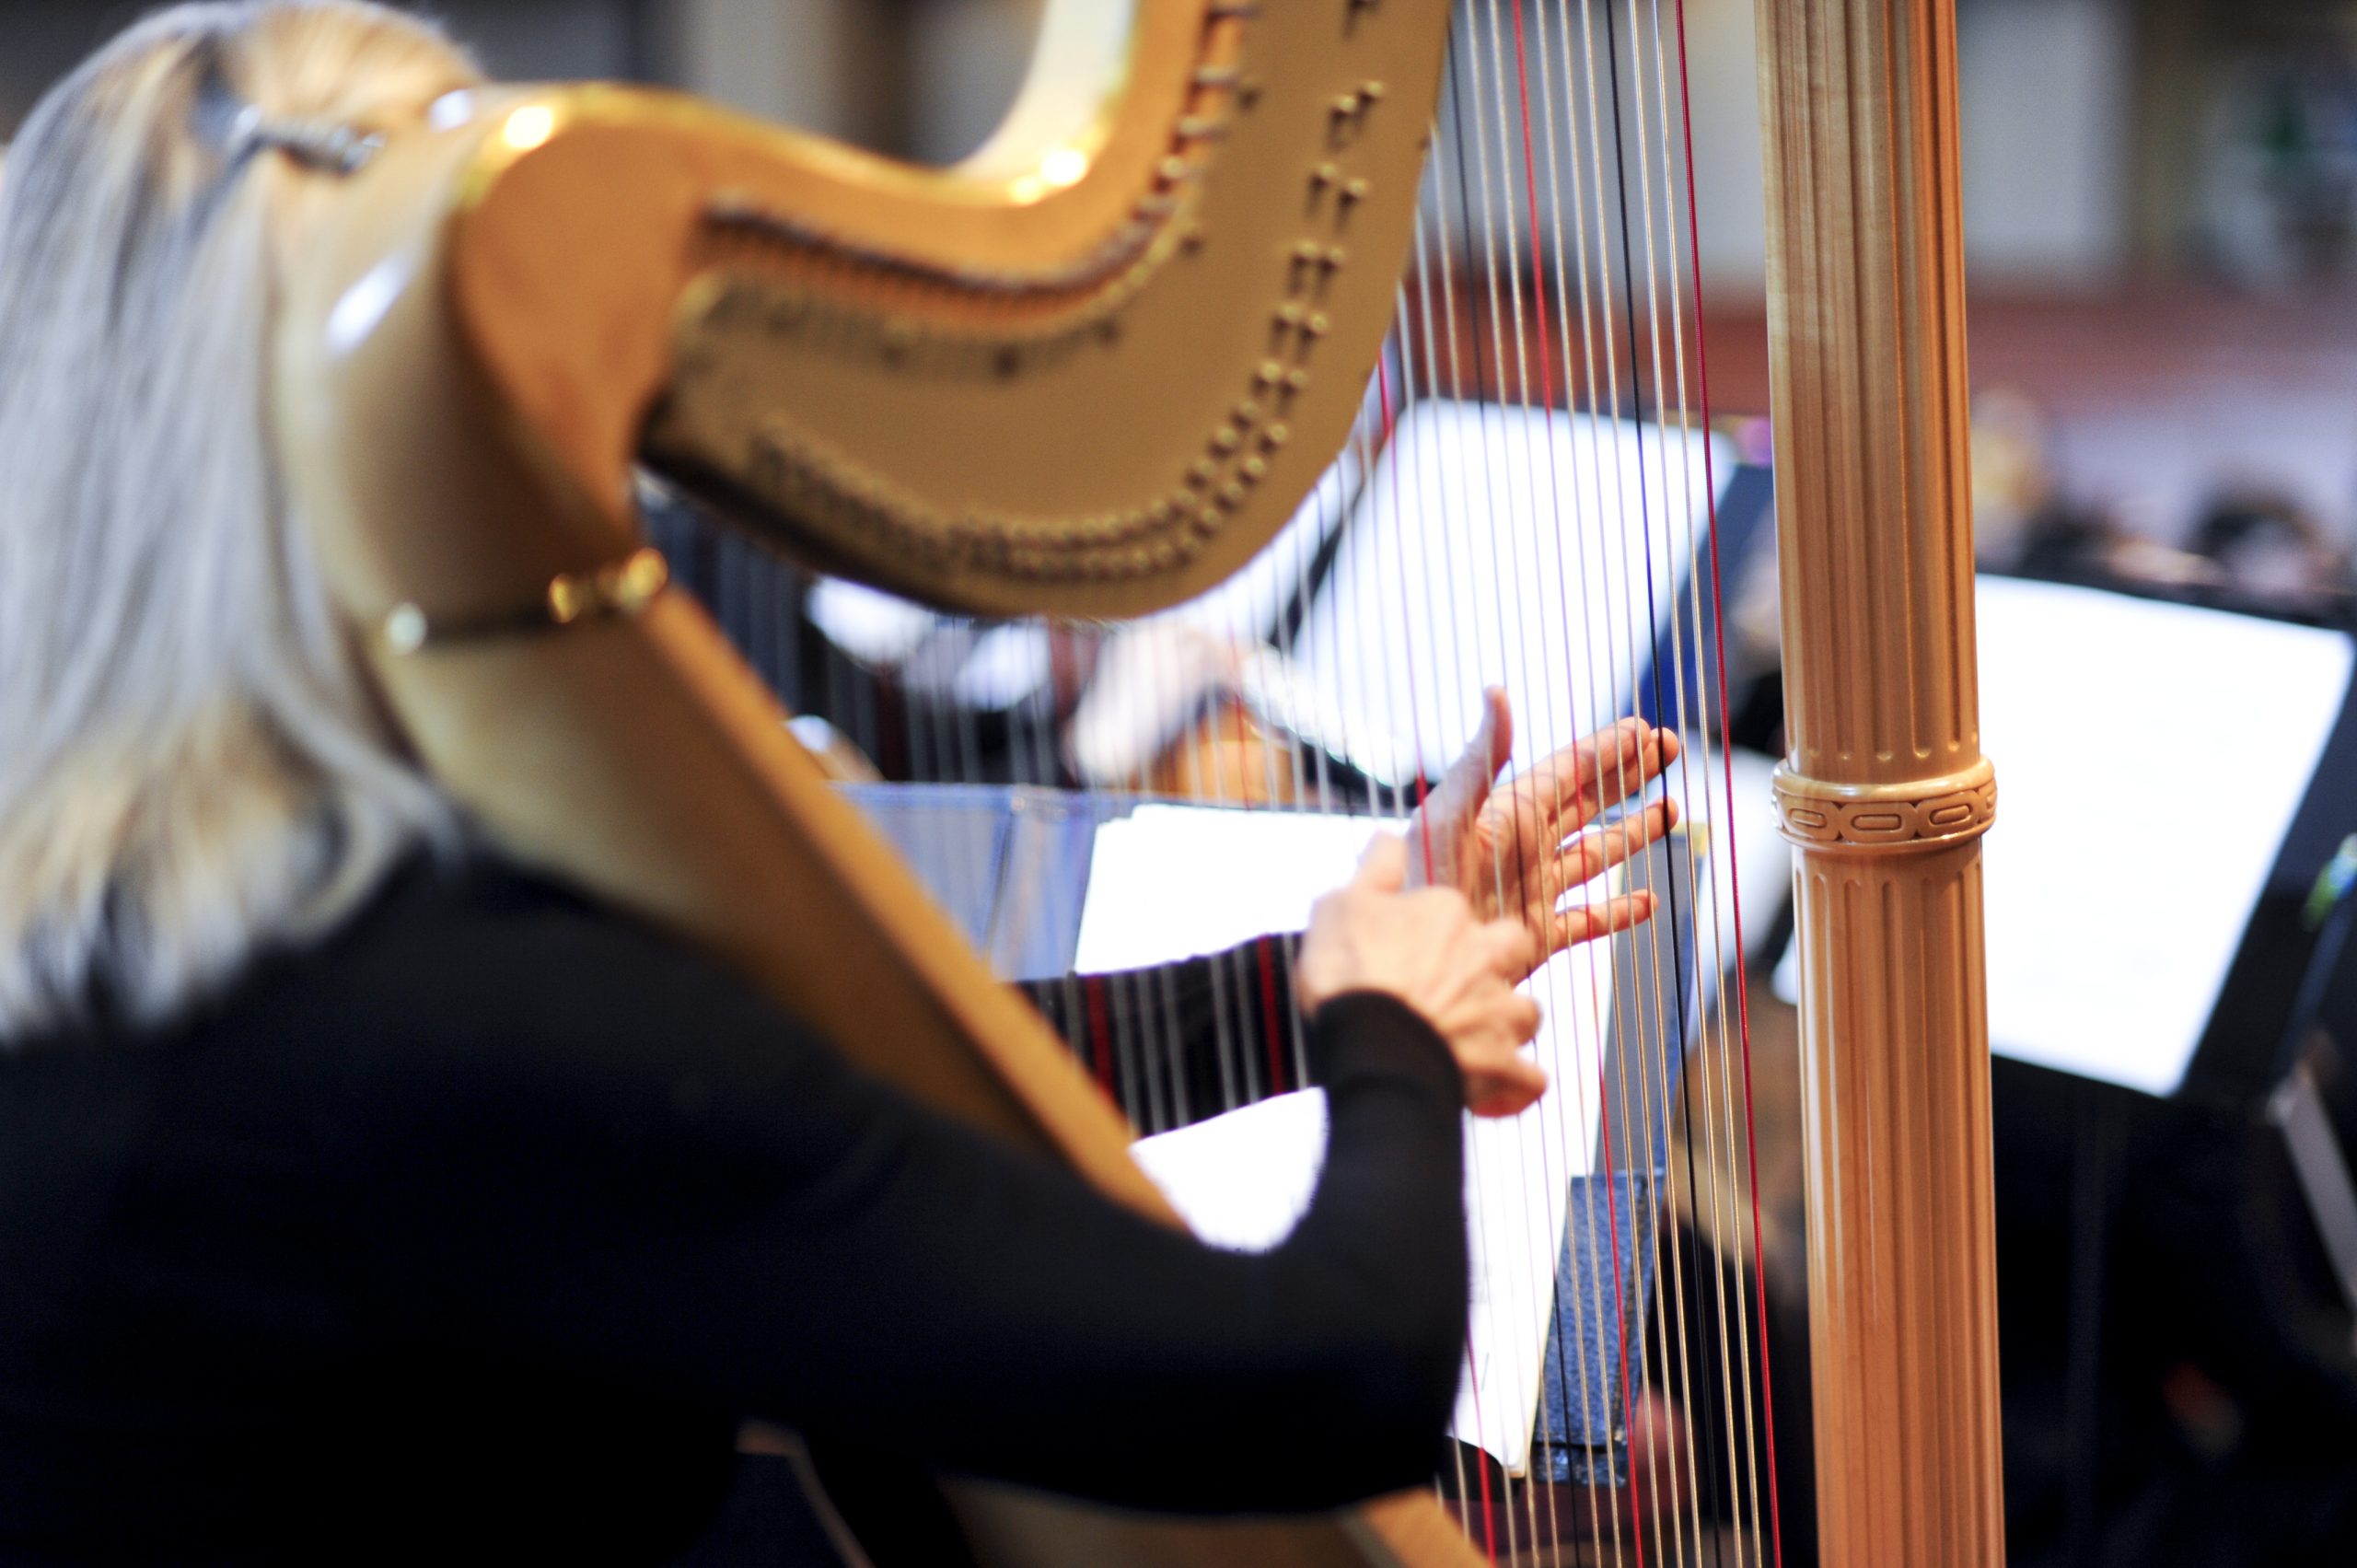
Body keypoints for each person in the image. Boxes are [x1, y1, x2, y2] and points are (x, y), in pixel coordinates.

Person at [0, 5, 1679, 1563]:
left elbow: (825, 1103)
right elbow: (1319, 1386)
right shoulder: (450, 1015)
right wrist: (1391, 1048)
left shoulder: (172, 939)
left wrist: (1330, 978)